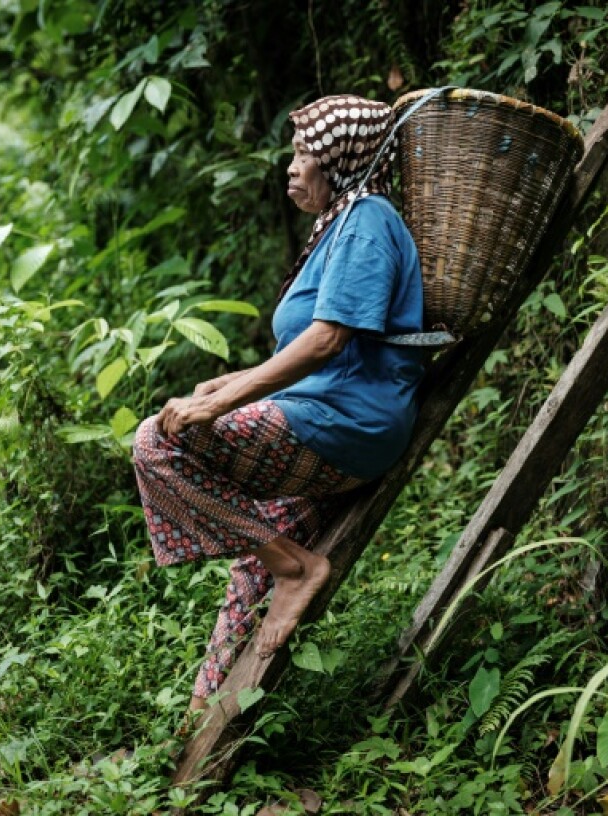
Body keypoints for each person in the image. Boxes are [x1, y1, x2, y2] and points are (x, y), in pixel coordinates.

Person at [132, 93, 425, 712]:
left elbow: (327, 341)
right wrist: (224, 383)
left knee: (157, 443)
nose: (292, 167)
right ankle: (197, 741)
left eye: (304, 153)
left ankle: (295, 566)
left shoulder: (368, 220)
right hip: (317, 417)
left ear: (343, 158)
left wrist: (220, 406)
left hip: (343, 423)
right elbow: (319, 347)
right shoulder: (339, 224)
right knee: (248, 580)